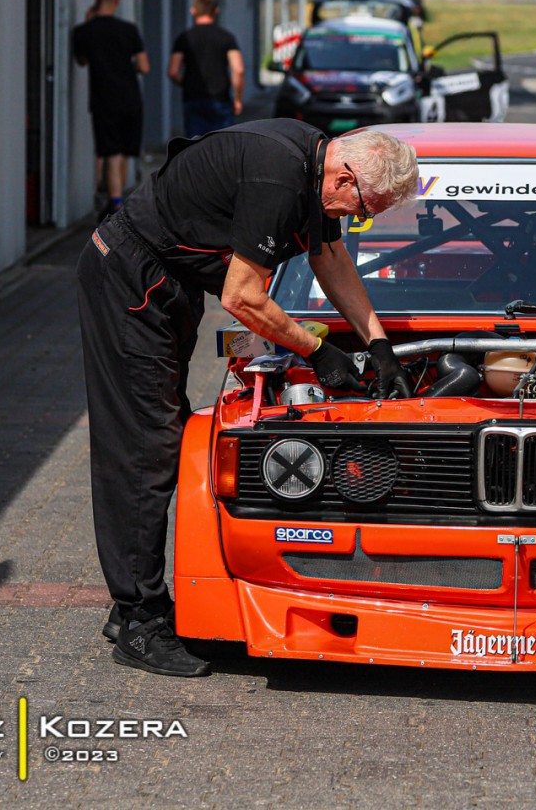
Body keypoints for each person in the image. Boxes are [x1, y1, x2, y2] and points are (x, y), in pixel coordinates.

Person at [78, 123, 419, 676]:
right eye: (364, 210)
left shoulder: (317, 161)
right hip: (130, 278)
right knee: (145, 446)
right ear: (344, 178)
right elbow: (241, 297)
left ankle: (133, 604)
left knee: (158, 435)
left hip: (167, 280)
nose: (361, 220)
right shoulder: (278, 181)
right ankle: (139, 620)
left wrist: (379, 345)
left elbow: (330, 256)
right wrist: (317, 351)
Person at [72, 0, 149, 218]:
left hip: (104, 98)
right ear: (117, 0)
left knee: (111, 152)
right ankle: (117, 199)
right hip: (130, 97)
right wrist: (126, 65)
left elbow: (81, 61)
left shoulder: (83, 32)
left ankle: (115, 203)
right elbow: (144, 66)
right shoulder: (129, 30)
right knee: (123, 153)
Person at [168, 0, 244, 137]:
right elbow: (238, 70)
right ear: (216, 11)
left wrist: (187, 84)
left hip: (193, 98)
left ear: (193, 11)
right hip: (220, 98)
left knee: (195, 145)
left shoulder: (184, 38)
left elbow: (173, 71)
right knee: (222, 144)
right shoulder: (226, 37)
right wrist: (238, 99)